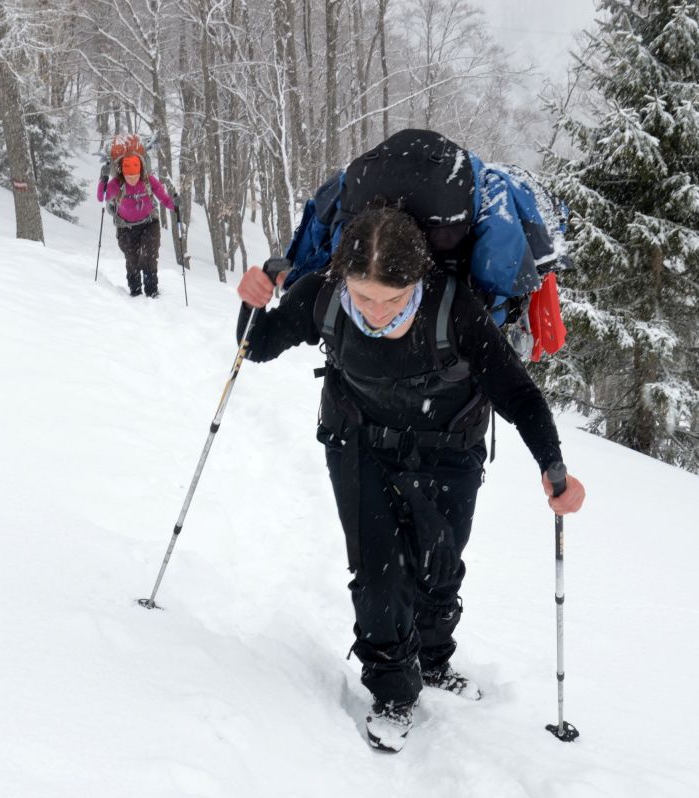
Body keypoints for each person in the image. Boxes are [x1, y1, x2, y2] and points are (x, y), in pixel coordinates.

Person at [235, 206, 585, 752]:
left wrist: (554, 467)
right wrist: (251, 301)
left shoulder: (454, 309)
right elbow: (255, 348)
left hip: (449, 449)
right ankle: (393, 692)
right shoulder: (324, 294)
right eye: (364, 295)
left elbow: (517, 394)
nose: (375, 312)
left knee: (439, 565)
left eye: (392, 300)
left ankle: (433, 657)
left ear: (418, 278)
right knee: (379, 575)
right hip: (358, 444)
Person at [98, 155, 176, 298]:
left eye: (135, 175)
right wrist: (103, 178)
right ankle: (135, 292)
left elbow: (163, 197)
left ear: (140, 171)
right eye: (129, 176)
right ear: (123, 174)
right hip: (125, 227)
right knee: (132, 259)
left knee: (149, 257)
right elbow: (101, 196)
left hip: (149, 222)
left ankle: (152, 292)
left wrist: (174, 205)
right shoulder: (117, 183)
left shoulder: (148, 180)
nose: (133, 179)